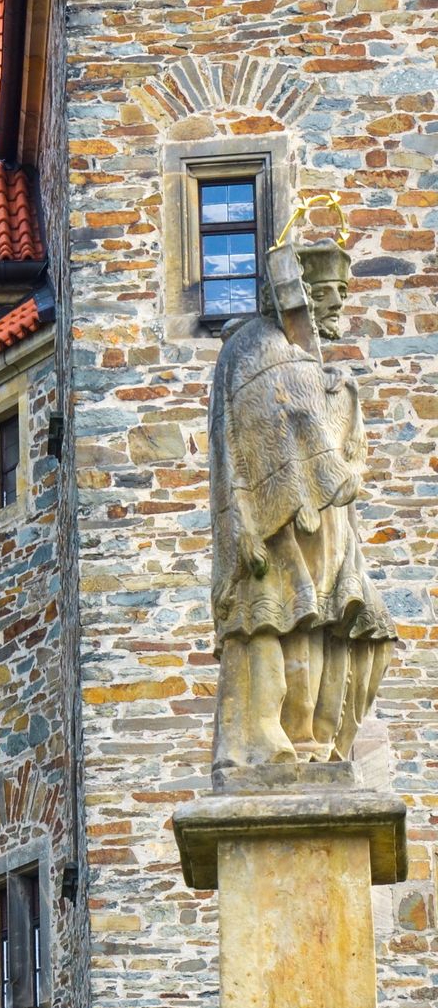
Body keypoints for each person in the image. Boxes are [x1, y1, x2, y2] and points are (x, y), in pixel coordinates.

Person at [208, 239, 395, 771]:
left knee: (354, 632)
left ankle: (318, 740)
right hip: (281, 525)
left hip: (328, 524)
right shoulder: (255, 349)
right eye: (330, 293)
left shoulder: (306, 360)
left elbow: (331, 440)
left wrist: (337, 393)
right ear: (302, 293)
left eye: (344, 292)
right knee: (277, 618)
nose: (339, 304)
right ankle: (276, 741)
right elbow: (263, 432)